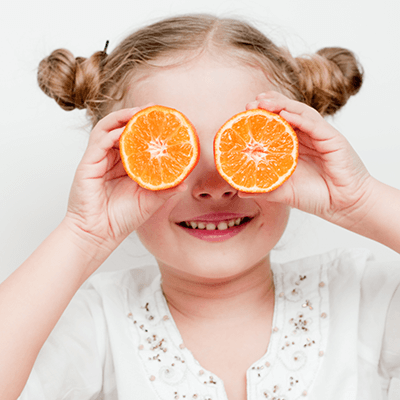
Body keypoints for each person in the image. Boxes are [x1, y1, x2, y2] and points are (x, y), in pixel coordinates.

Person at [1, 14, 399, 400]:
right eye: (175, 153)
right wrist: (82, 234)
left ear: (291, 149)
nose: (214, 187)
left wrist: (361, 200)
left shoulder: (363, 296)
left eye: (242, 149)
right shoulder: (95, 324)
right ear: (119, 164)